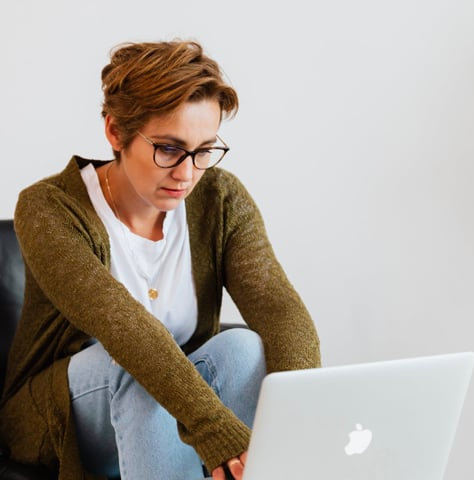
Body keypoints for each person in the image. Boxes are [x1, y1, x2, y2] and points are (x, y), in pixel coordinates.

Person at [0, 40, 321, 480]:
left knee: (244, 347)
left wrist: (302, 421)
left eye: (204, 149)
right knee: (135, 364)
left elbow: (278, 306)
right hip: (56, 416)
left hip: (171, 409)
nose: (187, 173)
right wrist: (214, 429)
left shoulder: (220, 197)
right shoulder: (48, 208)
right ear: (116, 132)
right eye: (169, 149)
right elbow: (121, 325)